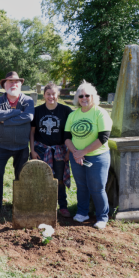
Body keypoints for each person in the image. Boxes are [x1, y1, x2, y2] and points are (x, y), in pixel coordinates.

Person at [64, 80, 112, 229]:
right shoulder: (73, 115)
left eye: (87, 95)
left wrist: (83, 152)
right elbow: (66, 137)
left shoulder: (100, 113)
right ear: (77, 98)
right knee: (82, 186)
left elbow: (103, 137)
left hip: (97, 157)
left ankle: (102, 217)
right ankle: (82, 212)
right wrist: (76, 153)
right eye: (80, 96)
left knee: (97, 187)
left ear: (93, 97)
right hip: (77, 156)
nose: (84, 98)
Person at [0, 71, 35, 210]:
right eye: (10, 82)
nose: (14, 84)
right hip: (2, 145)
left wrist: (5, 121)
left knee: (21, 175)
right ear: (4, 85)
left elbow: (28, 117)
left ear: (20, 84)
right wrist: (16, 112)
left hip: (21, 146)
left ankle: (20, 203)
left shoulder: (27, 100)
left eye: (16, 82)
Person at [30, 83, 72, 218]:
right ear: (44, 95)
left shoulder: (66, 111)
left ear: (57, 95)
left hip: (59, 150)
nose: (51, 97)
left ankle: (63, 206)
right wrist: (32, 150)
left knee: (59, 179)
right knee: (41, 177)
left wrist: (69, 152)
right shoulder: (37, 111)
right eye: (48, 94)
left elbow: (71, 134)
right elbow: (31, 132)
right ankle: (42, 204)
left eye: (53, 94)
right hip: (41, 150)